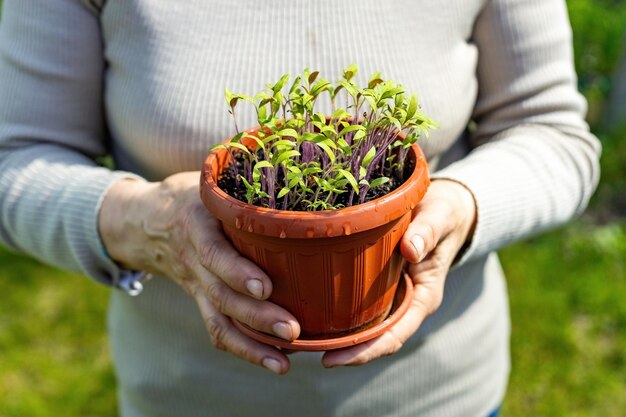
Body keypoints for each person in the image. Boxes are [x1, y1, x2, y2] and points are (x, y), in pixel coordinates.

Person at [0, 0, 600, 416]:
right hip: (189, 401)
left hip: (438, 397)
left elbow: (552, 134)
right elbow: (15, 163)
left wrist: (463, 208)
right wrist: (146, 220)